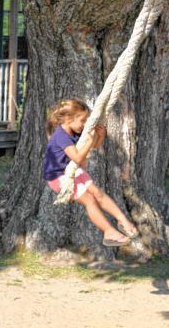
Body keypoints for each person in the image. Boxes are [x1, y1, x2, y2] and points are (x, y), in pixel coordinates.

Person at [43, 99, 139, 247]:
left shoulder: (73, 131)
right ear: (69, 119)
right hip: (59, 177)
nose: (85, 124)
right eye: (82, 120)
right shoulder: (61, 136)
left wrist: (99, 137)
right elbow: (78, 157)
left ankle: (123, 221)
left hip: (72, 171)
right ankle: (109, 232)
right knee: (89, 199)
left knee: (98, 192)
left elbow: (92, 147)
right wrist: (89, 141)